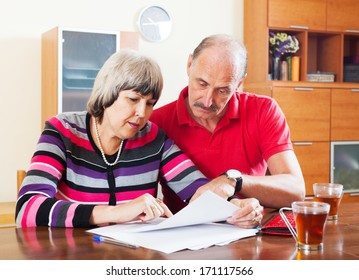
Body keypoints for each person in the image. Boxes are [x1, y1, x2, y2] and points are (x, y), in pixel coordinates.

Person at [16, 49, 263, 229]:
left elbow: (200, 192)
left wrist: (237, 209)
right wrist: (117, 213)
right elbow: (27, 209)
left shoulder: (153, 138)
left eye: (150, 104)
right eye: (133, 100)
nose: (142, 113)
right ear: (108, 93)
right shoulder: (62, 131)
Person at [150, 34, 305, 213]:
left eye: (222, 90)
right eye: (202, 84)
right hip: (183, 235)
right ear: (189, 65)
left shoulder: (264, 110)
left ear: (239, 83)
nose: (208, 101)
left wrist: (234, 180)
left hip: (247, 232)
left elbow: (296, 191)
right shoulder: (156, 122)